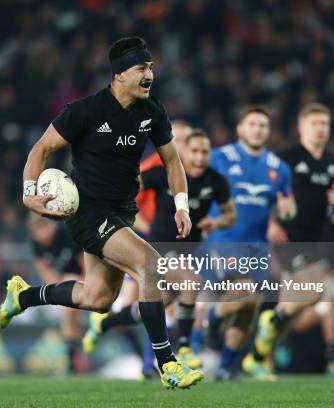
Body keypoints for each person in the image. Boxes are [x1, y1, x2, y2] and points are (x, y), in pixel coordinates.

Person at [0, 36, 203, 389]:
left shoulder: (152, 112)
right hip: (87, 211)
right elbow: (41, 149)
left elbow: (173, 161)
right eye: (141, 68)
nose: (149, 74)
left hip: (122, 211)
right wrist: (29, 194)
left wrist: (181, 205)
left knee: (98, 299)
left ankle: (24, 296)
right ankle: (168, 364)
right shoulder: (85, 111)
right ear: (119, 75)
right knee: (150, 266)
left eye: (151, 68)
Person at [81, 128, 236, 373]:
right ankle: (185, 347)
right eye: (194, 151)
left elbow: (230, 215)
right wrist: (131, 213)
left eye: (204, 152)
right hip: (159, 249)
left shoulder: (216, 181)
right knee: (192, 283)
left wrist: (216, 223)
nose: (199, 157)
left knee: (153, 306)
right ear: (183, 152)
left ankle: (103, 325)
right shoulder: (164, 174)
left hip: (187, 254)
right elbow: (133, 183)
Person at [243, 103, 334, 380]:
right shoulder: (287, 158)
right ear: (301, 128)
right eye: (314, 123)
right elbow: (260, 191)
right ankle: (273, 328)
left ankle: (259, 354)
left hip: (316, 239)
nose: (320, 129)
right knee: (319, 288)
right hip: (289, 237)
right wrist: (270, 223)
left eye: (325, 124)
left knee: (301, 301)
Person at [202, 105, 296, 380]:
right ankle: (214, 318)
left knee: (252, 303)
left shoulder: (279, 168)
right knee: (248, 291)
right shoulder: (220, 158)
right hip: (222, 241)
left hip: (257, 247)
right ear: (240, 129)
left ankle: (226, 366)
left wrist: (286, 213)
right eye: (252, 124)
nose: (257, 129)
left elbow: (287, 204)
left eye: (263, 125)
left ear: (269, 131)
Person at [27, 213, 85, 373]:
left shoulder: (67, 234)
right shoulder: (36, 244)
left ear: (51, 225)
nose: (40, 234)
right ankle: (73, 361)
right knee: (67, 314)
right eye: (35, 230)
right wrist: (60, 293)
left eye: (42, 228)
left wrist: (91, 290)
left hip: (86, 277)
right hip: (66, 282)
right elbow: (46, 273)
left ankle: (73, 360)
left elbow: (87, 263)